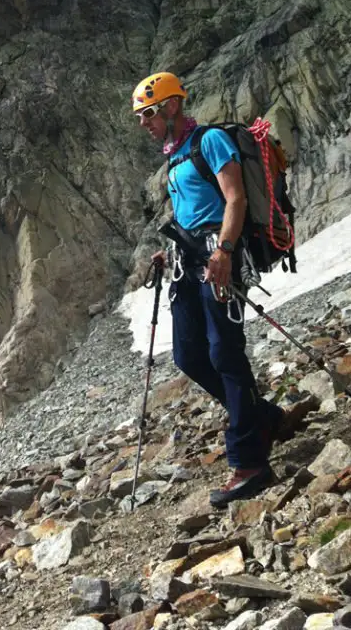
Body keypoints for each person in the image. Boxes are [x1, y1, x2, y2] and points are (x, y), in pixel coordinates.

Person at [132, 71, 315, 507]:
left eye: (150, 113)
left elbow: (235, 199)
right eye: (141, 116)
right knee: (189, 355)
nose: (145, 123)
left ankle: (249, 461)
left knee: (224, 353)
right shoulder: (174, 160)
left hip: (218, 257)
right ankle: (262, 416)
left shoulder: (210, 141)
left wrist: (226, 252)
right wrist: (166, 251)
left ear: (173, 105)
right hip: (188, 263)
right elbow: (185, 215)